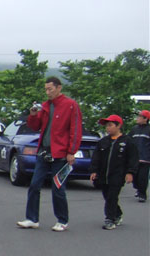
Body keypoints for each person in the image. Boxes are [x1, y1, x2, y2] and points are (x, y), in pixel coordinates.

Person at [17, 77, 82, 232]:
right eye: (46, 89)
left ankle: (62, 220)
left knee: (58, 188)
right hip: (44, 151)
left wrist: (71, 152)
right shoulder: (45, 106)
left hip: (61, 153)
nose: (48, 92)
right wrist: (32, 115)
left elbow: (75, 129)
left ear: (59, 88)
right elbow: (35, 126)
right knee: (34, 185)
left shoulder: (70, 105)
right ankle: (32, 218)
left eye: (50, 89)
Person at [90, 114, 138, 229]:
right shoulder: (103, 141)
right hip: (103, 174)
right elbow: (96, 157)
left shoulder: (127, 142)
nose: (108, 128)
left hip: (117, 174)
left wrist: (130, 172)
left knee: (112, 196)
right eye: (107, 126)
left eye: (110, 125)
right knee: (107, 196)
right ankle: (117, 213)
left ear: (118, 126)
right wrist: (94, 171)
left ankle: (109, 219)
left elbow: (132, 158)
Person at [127, 109, 150, 202]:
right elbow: (128, 141)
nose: (138, 118)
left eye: (140, 116)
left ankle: (142, 194)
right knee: (135, 177)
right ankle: (138, 188)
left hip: (145, 159)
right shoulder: (134, 129)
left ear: (145, 119)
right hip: (134, 159)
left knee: (142, 178)